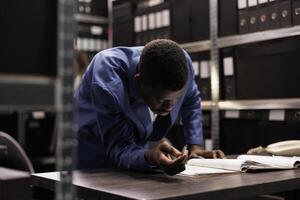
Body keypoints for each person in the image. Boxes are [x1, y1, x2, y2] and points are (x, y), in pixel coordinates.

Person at [74, 39, 225, 175]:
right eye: (163, 100)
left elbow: (191, 101)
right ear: (139, 81)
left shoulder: (181, 62)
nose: (170, 106)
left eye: (176, 98)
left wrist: (196, 146)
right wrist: (149, 157)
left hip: (131, 144)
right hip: (94, 146)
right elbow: (119, 147)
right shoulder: (108, 81)